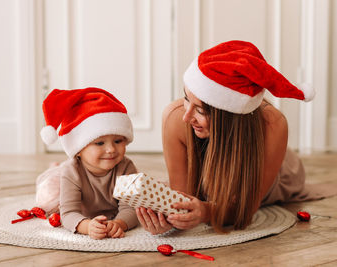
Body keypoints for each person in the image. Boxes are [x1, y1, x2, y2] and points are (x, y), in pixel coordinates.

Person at [136, 40, 317, 234]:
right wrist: (171, 217)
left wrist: (206, 211)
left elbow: (244, 209)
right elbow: (183, 198)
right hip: (212, 176)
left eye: (200, 110)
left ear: (228, 116)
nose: (186, 116)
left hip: (276, 173)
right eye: (186, 98)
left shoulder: (273, 124)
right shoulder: (175, 117)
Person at [36, 87, 138, 239]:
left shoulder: (126, 167)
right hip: (66, 180)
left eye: (118, 141)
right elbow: (69, 213)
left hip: (109, 210)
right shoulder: (72, 172)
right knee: (48, 199)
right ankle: (55, 169)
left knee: (143, 195)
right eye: (99, 143)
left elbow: (130, 208)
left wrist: (119, 223)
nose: (111, 149)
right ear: (78, 149)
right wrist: (87, 226)